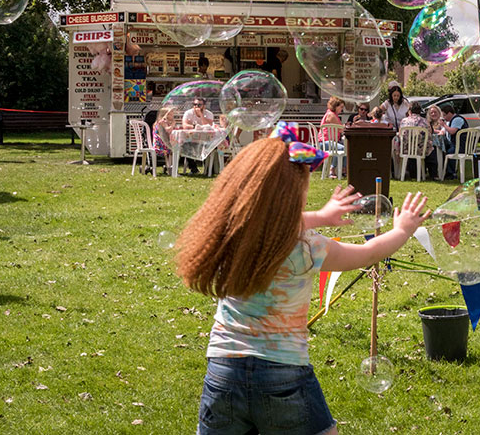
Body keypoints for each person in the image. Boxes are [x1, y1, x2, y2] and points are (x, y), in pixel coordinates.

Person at [176, 123, 430, 435]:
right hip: (282, 374)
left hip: (223, 371)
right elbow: (367, 253)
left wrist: (322, 217)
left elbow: (268, 216)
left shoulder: (229, 231)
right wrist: (402, 230)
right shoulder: (307, 248)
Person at [395, 103, 436, 180]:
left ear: (409, 111)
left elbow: (400, 134)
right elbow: (430, 135)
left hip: (406, 150)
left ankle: (402, 173)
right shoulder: (425, 122)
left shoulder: (404, 121)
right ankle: (433, 174)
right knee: (432, 149)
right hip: (420, 150)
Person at [182, 99, 216, 175]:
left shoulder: (208, 114)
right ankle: (193, 169)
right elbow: (185, 126)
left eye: (199, 105)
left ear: (204, 106)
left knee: (209, 146)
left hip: (205, 139)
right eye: (194, 104)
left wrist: (201, 115)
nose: (196, 106)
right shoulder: (188, 113)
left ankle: (208, 169)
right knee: (185, 145)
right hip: (191, 139)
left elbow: (209, 126)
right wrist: (195, 126)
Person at [434, 105, 468, 180]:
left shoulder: (457, 119)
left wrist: (444, 125)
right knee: (442, 149)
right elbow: (443, 131)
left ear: (449, 113)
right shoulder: (450, 121)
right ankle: (442, 171)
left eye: (445, 115)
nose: (444, 118)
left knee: (450, 152)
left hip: (461, 145)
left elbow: (452, 131)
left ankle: (451, 173)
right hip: (455, 144)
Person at [319, 97, 346, 179]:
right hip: (325, 143)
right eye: (341, 107)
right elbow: (341, 129)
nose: (342, 109)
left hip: (329, 142)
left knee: (346, 148)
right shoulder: (332, 115)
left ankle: (343, 170)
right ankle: (332, 170)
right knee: (342, 148)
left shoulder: (330, 113)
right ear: (335, 106)